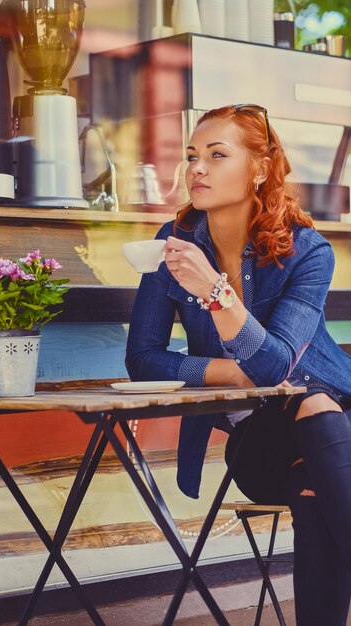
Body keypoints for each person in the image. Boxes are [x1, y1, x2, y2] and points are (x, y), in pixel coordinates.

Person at [125, 104, 351, 626]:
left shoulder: (308, 251)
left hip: (333, 430)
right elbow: (142, 358)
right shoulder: (174, 243)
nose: (196, 168)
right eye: (192, 156)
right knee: (308, 414)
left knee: (314, 475)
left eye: (217, 155)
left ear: (259, 168)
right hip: (257, 449)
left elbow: (275, 368)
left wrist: (216, 292)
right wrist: (227, 371)